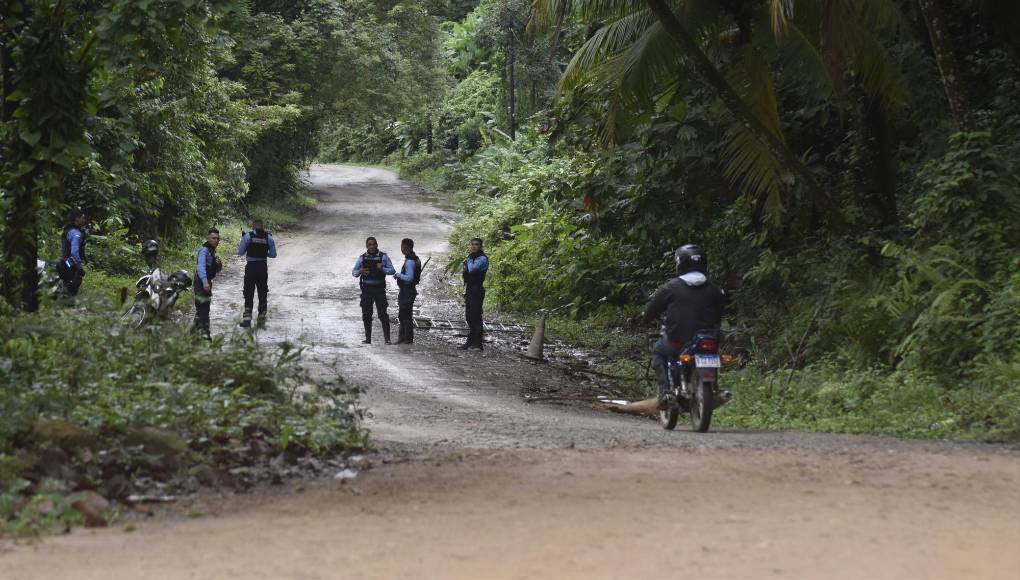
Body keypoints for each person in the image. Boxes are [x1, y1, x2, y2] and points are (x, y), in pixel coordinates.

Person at [638, 244, 726, 408]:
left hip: (678, 340)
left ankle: (665, 392)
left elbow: (652, 310)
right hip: (707, 341)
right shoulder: (714, 289)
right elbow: (720, 311)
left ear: (680, 262)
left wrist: (645, 318)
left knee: (658, 351)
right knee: (713, 351)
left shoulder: (671, 287)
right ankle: (714, 387)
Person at [352, 237, 395, 344]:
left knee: (382, 314)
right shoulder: (362, 258)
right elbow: (354, 272)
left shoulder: (383, 257)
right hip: (366, 289)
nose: (372, 246)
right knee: (366, 315)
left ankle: (387, 339)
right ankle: (368, 339)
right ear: (366, 246)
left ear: (377, 245)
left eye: (373, 244)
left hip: (379, 289)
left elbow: (392, 270)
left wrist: (382, 268)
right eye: (369, 244)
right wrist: (360, 271)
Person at [237, 219, 277, 328]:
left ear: (253, 227)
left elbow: (240, 252)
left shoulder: (247, 237)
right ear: (263, 226)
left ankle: (247, 320)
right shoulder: (268, 238)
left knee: (248, 293)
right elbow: (273, 255)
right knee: (262, 293)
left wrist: (246, 245)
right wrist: (264, 253)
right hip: (262, 268)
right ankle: (261, 320)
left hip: (250, 268)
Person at [193, 228, 222, 340]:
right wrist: (205, 282)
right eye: (213, 238)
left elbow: (216, 271)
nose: (216, 240)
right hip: (201, 283)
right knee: (203, 311)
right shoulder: (204, 250)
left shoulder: (211, 252)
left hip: (205, 282)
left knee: (203, 310)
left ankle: (194, 336)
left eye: (218, 239)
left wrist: (218, 264)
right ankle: (205, 338)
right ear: (208, 239)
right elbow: (200, 267)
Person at [460, 238, 488, 351]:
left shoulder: (482, 258)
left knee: (476, 316)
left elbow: (471, 269)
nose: (474, 246)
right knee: (469, 316)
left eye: (476, 245)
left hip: (477, 289)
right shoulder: (471, 257)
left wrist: (468, 261)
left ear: (480, 246)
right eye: (472, 244)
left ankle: (477, 344)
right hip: (470, 289)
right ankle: (470, 342)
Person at [392, 238, 422, 344]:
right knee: (406, 315)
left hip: (407, 290)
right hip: (409, 290)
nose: (401, 248)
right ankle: (405, 338)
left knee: (404, 315)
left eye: (402, 246)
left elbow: (409, 278)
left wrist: (398, 275)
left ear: (405, 247)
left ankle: (406, 339)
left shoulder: (409, 261)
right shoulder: (415, 259)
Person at [60, 209, 87, 302]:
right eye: (83, 218)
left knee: (67, 287)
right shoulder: (75, 233)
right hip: (71, 264)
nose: (84, 220)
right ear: (77, 219)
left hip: (65, 263)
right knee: (72, 286)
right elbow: (74, 252)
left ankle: (64, 310)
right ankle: (69, 310)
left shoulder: (68, 231)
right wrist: (79, 267)